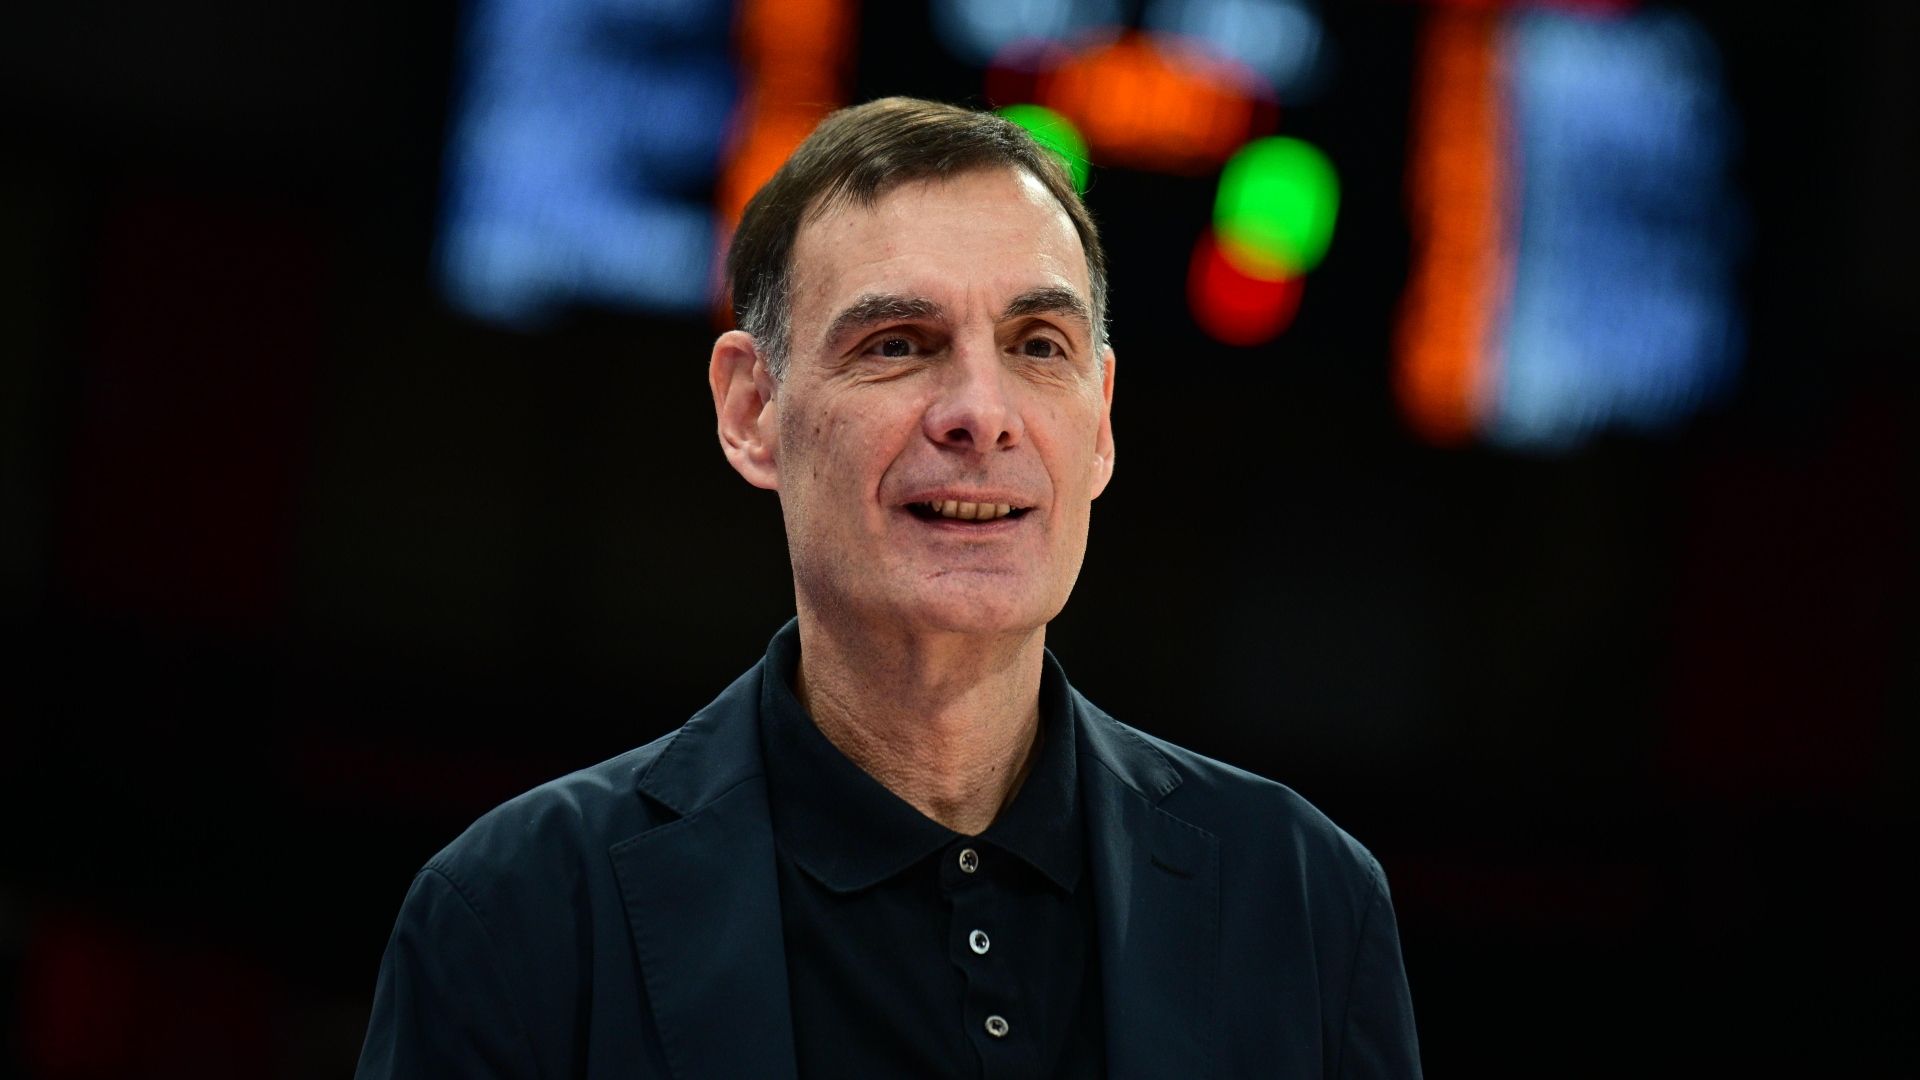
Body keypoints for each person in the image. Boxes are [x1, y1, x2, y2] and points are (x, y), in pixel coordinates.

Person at [355, 97, 1422, 1079]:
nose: (981, 414)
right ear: (751, 410)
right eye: (899, 344)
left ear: (1099, 419)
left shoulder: (1306, 903)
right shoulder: (515, 915)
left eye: (1037, 345)